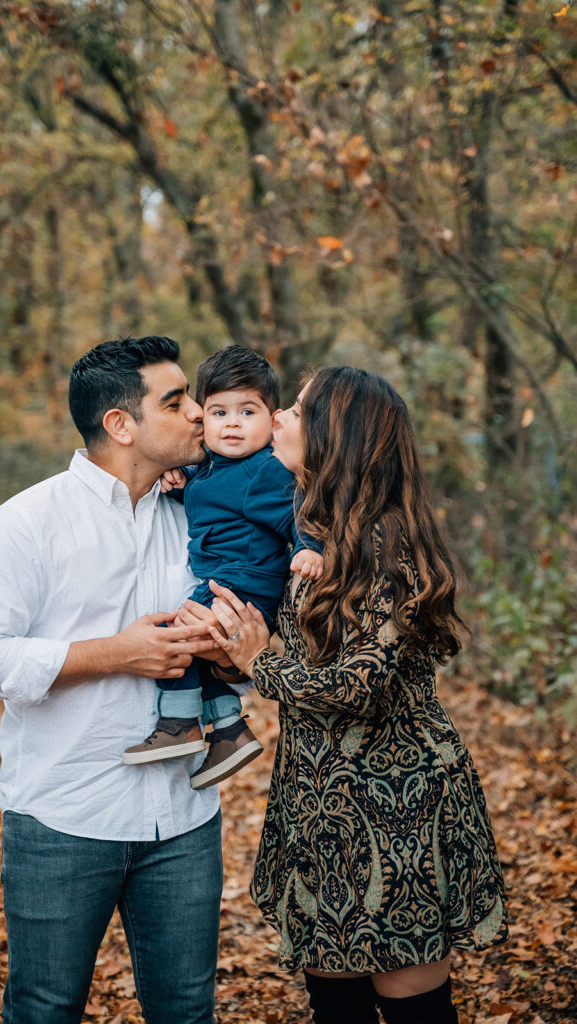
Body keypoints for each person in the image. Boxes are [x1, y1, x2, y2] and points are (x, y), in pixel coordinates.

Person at [204, 367, 509, 1024]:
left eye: (297, 409)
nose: (278, 416)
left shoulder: (385, 540)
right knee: (336, 1006)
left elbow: (356, 686)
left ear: (335, 435)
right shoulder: (312, 526)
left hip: (397, 806)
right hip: (320, 804)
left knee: (411, 1008)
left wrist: (259, 663)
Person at [0, 336, 231, 1024]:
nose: (199, 413)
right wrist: (116, 654)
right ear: (121, 424)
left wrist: (226, 654)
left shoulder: (200, 516)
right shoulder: (26, 523)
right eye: (176, 402)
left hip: (184, 815)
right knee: (45, 1008)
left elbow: (233, 658)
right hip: (64, 814)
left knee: (188, 1011)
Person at [123, 346, 323, 791]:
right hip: (224, 581)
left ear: (272, 420)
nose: (232, 423)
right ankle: (229, 729)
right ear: (203, 418)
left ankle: (180, 725)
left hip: (243, 585)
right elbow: (214, 501)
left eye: (247, 412)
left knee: (177, 635)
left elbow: (301, 512)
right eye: (219, 412)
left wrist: (310, 548)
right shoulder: (212, 469)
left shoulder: (264, 471)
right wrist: (178, 482)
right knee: (198, 645)